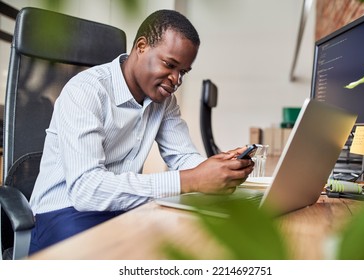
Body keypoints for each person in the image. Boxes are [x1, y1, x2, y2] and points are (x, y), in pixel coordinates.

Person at [28, 9, 254, 255]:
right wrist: (193, 179)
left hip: (123, 210)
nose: (176, 79)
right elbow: (86, 190)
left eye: (183, 72)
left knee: (195, 244)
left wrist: (219, 168)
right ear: (142, 46)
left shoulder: (164, 102)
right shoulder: (85, 91)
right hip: (64, 213)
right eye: (170, 65)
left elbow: (183, 158)